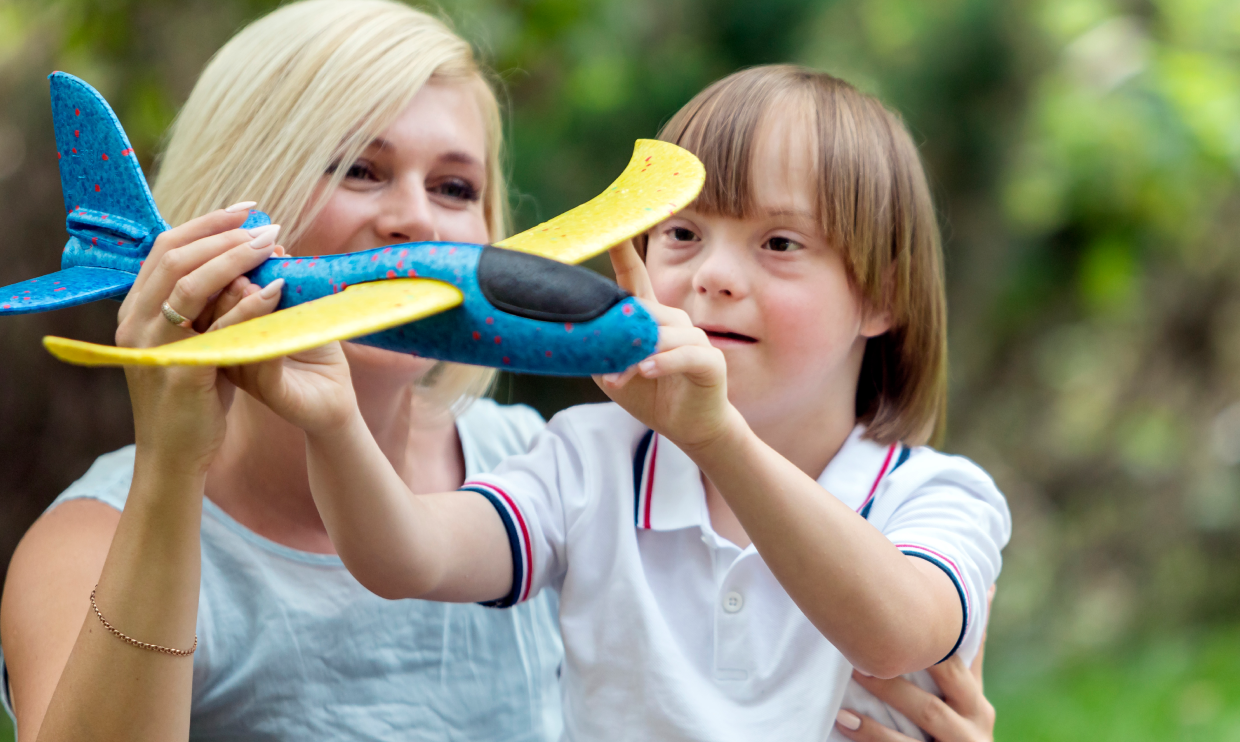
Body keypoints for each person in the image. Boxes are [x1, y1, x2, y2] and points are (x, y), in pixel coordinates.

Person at [233, 65, 1012, 740]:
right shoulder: (589, 461)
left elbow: (897, 636)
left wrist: (720, 442)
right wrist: (330, 424)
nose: (713, 276)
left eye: (779, 243)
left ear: (882, 295)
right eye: (681, 234)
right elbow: (405, 556)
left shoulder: (938, 498)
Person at [0, 2, 564, 740]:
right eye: (360, 168)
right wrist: (172, 468)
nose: (417, 221)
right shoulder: (83, 546)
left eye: (454, 188)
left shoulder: (533, 463)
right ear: (230, 201)